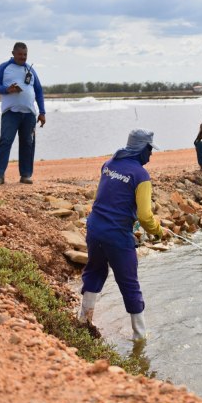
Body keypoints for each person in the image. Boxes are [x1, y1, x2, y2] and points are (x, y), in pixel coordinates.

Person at [78, 129, 164, 341]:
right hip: (117, 235)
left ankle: (83, 321)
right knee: (129, 284)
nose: (151, 155)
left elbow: (109, 198)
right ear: (141, 149)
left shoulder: (109, 164)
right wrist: (158, 230)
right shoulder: (141, 175)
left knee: (95, 272)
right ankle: (140, 338)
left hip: (95, 229)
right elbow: (145, 216)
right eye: (150, 149)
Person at [0, 42, 46, 185]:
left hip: (29, 114)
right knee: (5, 141)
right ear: (13, 53)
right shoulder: (4, 67)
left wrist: (42, 112)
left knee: (28, 143)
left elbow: (39, 91)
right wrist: (6, 90)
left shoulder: (30, 70)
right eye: (20, 54)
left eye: (25, 54)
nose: (23, 57)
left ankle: (26, 175)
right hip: (11, 113)